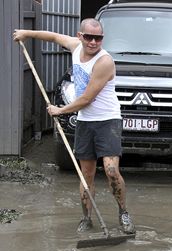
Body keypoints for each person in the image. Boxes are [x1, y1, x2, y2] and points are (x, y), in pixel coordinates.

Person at [13, 18, 136, 234]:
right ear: (80, 36)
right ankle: (87, 218)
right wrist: (25, 33)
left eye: (98, 38)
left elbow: (87, 98)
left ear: (102, 39)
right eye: (88, 37)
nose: (93, 42)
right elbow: (51, 36)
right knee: (85, 174)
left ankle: (123, 212)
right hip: (86, 121)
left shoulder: (104, 62)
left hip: (107, 120)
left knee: (110, 169)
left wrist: (60, 110)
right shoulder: (74, 45)